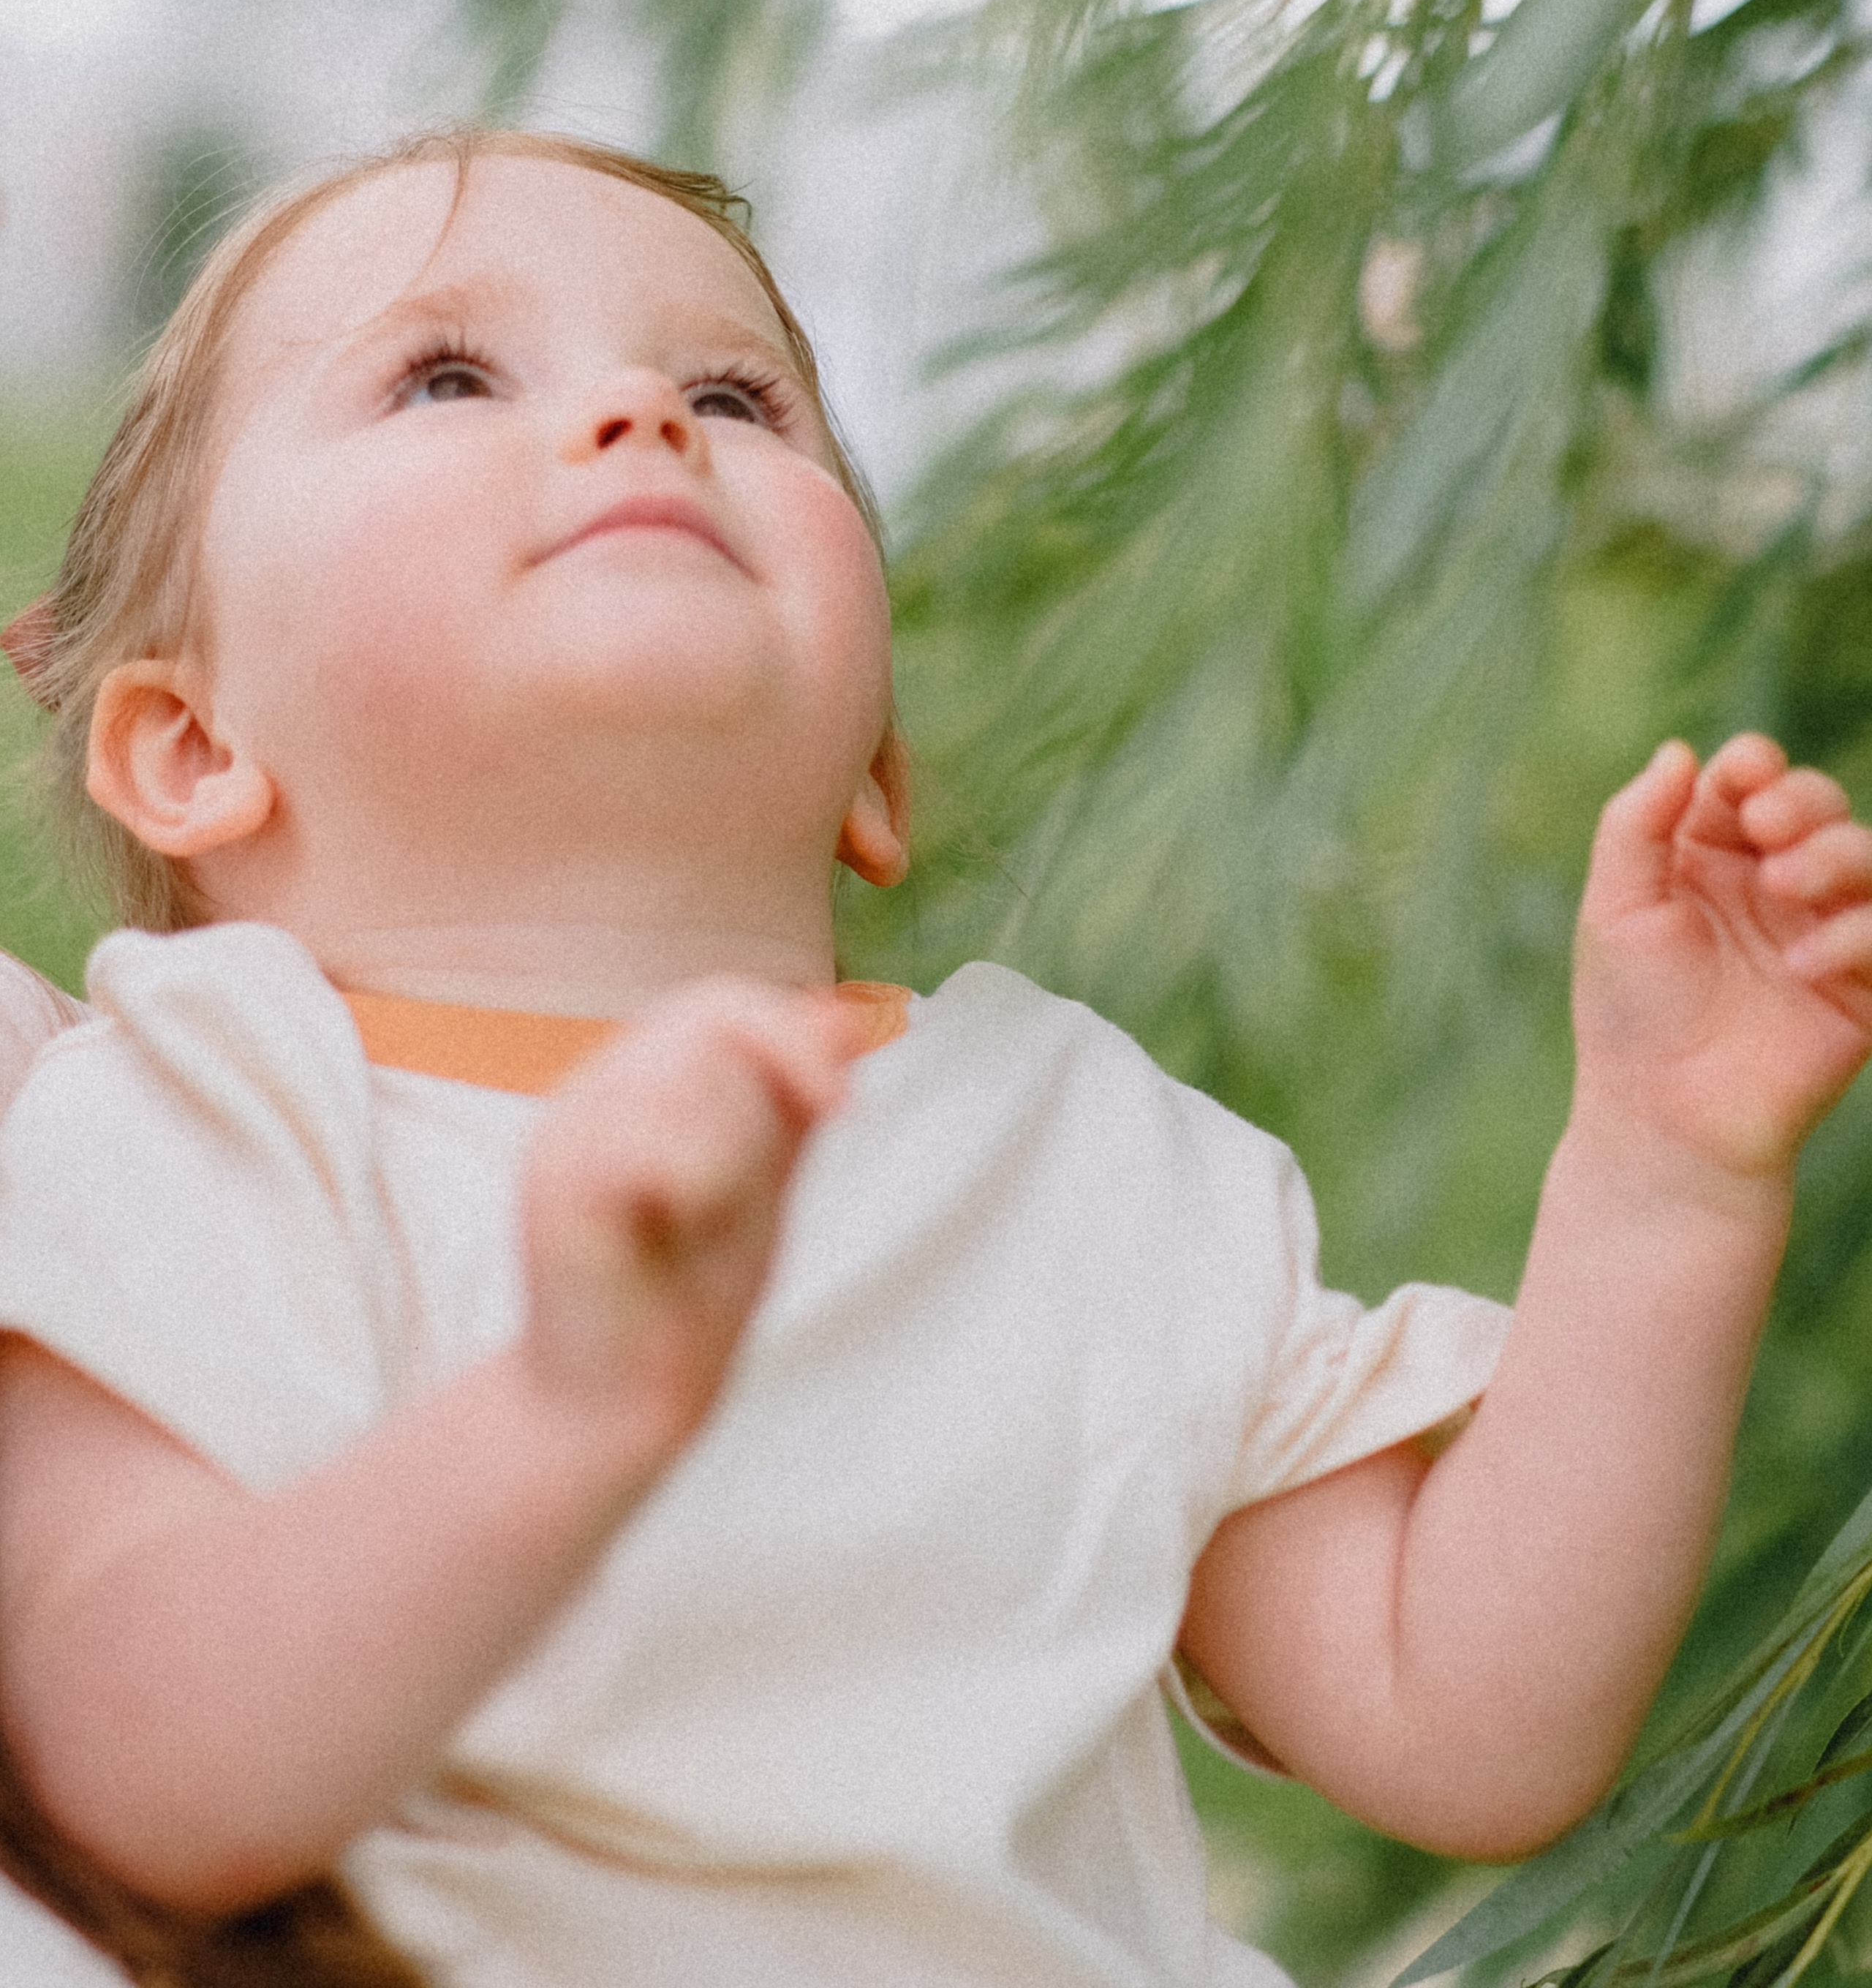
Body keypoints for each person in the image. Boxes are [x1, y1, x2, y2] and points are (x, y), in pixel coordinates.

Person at [1, 127, 1871, 1988]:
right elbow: (131, 1764)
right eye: (446, 375)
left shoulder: (1075, 1145)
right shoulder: (184, 1121)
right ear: (189, 749)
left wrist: (1666, 1177)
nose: (643, 414)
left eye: (738, 398)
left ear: (873, 776)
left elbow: (1462, 1719)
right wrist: (562, 1413)